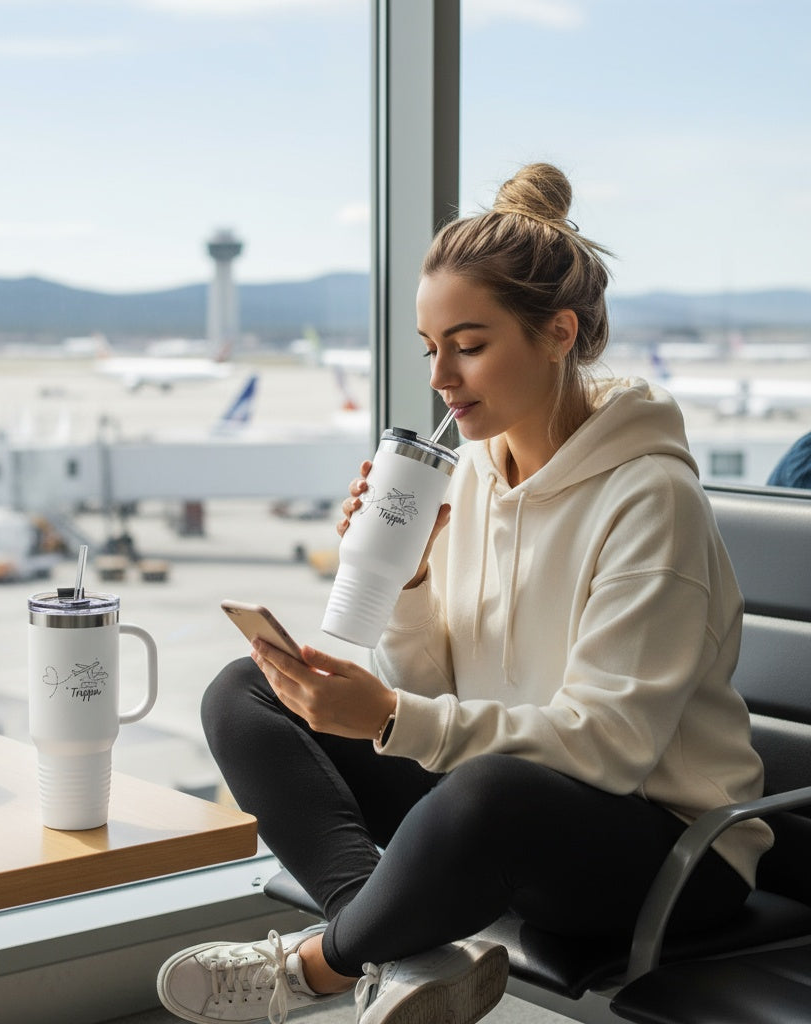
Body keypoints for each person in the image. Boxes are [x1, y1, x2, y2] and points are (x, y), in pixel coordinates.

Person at [156, 163, 772, 1024]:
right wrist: (407, 582)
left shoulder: (650, 498)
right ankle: (404, 953)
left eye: (469, 345)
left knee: (488, 791)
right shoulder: (475, 471)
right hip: (504, 800)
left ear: (558, 333)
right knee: (249, 691)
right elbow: (437, 687)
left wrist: (387, 718)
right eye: (430, 347)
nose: (441, 376)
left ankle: (314, 971)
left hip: (667, 847)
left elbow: (611, 750)